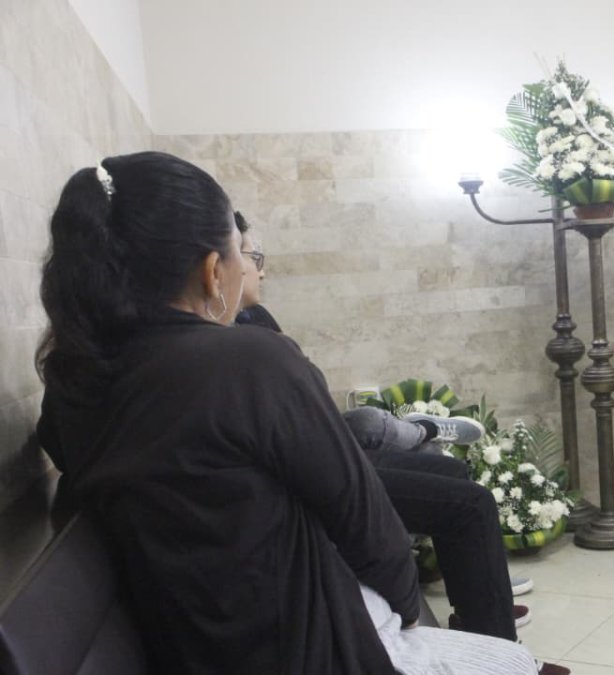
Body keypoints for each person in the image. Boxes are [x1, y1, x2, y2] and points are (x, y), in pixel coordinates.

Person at [35, 151, 540, 674]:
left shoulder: (70, 386)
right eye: (241, 254)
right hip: (309, 649)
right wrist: (410, 616)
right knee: (514, 663)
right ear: (213, 271)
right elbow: (367, 523)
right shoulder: (248, 360)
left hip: (189, 649)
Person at [232, 213, 541, 635]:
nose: (261, 269)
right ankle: (497, 649)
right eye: (253, 255)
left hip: (324, 453)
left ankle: (478, 613)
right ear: (218, 263)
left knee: (449, 469)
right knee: (468, 504)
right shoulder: (236, 348)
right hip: (311, 477)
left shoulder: (256, 321)